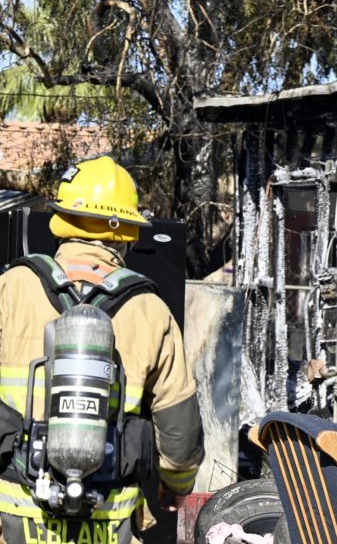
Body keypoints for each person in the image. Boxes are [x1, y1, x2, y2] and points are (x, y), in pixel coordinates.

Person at [0, 156, 204, 543]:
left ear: (62, 219)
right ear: (125, 233)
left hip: (15, 514)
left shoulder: (11, 288)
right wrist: (176, 485)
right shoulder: (150, 308)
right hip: (110, 519)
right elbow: (180, 424)